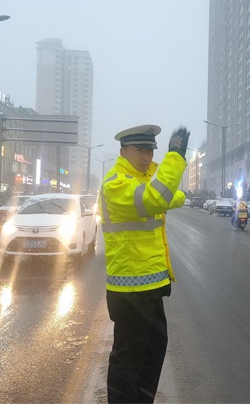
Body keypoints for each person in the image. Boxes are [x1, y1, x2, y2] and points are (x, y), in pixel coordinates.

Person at [98, 124, 189, 403]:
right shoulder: (116, 184)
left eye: (150, 149)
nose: (146, 156)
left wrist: (174, 193)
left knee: (152, 354)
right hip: (129, 290)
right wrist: (175, 157)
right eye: (140, 149)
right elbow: (158, 197)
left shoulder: (145, 178)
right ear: (123, 150)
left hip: (151, 286)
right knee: (128, 362)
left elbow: (171, 196)